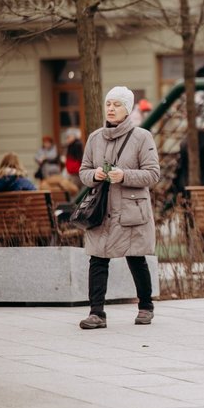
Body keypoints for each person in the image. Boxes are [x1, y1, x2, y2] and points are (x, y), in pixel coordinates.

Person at [77, 87, 161, 330]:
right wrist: (95, 174)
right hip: (102, 210)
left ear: (128, 109)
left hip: (131, 211)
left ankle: (146, 307)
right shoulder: (95, 138)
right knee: (97, 259)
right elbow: (83, 171)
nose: (111, 109)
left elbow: (153, 174)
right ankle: (96, 313)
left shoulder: (142, 137)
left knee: (136, 258)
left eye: (117, 105)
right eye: (108, 104)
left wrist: (124, 175)